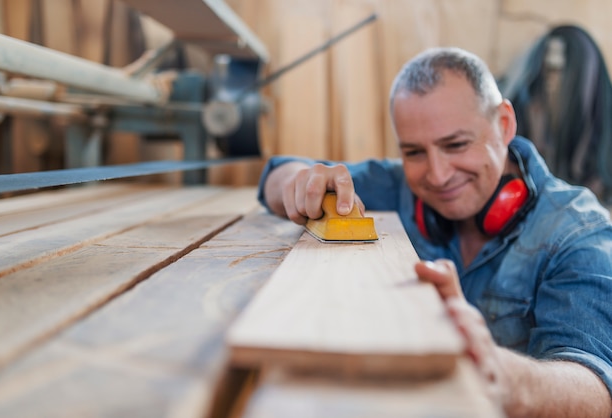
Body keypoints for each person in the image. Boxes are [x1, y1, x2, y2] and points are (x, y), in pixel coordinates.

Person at [257, 47, 612, 417]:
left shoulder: (577, 230)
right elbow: (276, 176)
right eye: (414, 153)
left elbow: (597, 390)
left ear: (504, 123)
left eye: (456, 144)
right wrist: (304, 184)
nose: (438, 175)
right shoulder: (397, 186)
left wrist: (503, 374)